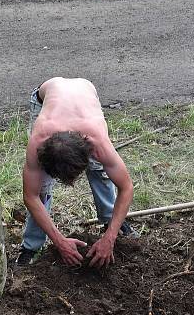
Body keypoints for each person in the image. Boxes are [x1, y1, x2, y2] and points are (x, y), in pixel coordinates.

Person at [17, 77, 134, 269]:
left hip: (85, 96)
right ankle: (31, 246)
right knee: (42, 188)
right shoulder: (39, 140)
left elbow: (126, 187)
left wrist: (109, 238)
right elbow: (31, 196)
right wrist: (59, 241)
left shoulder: (97, 140)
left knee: (100, 171)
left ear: (88, 151)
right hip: (45, 96)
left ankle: (112, 223)